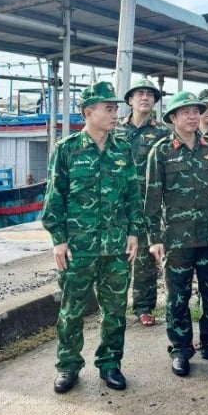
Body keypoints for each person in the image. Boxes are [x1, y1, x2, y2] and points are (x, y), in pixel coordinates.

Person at [42, 81, 141, 394]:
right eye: (108, 108)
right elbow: (54, 197)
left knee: (115, 310)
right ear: (88, 112)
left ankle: (110, 364)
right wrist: (58, 238)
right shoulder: (67, 150)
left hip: (115, 247)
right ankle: (68, 365)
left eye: (115, 108)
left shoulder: (123, 149)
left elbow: (132, 195)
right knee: (72, 310)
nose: (115, 114)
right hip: (79, 248)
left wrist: (134, 232)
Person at [144, 91, 208, 377]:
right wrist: (154, 238)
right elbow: (151, 198)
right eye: (185, 112)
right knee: (177, 298)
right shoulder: (161, 151)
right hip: (177, 240)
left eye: (196, 111)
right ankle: (181, 349)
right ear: (172, 118)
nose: (192, 116)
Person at [120, 78, 168, 326]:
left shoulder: (162, 133)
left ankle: (144, 307)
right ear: (130, 100)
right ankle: (116, 305)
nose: (145, 98)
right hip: (118, 206)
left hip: (147, 204)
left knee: (146, 260)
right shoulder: (116, 130)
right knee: (117, 257)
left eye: (150, 94)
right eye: (140, 93)